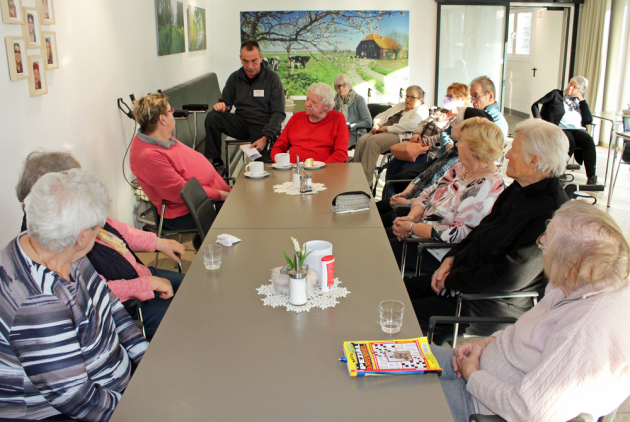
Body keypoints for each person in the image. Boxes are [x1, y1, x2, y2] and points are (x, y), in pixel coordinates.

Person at [434, 200, 630, 422]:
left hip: (482, 406)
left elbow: (529, 411)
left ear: (570, 266)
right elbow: (527, 335)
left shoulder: (585, 333)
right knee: (388, 357)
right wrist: (485, 343)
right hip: (478, 366)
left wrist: (473, 375)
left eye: (546, 246)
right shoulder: (577, 280)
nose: (541, 246)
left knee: (390, 398)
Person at [0, 169, 148, 421]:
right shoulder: (39, 305)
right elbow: (77, 399)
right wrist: (141, 408)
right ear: (82, 237)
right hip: (73, 411)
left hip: (117, 381)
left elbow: (109, 304)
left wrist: (144, 355)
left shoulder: (56, 246)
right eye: (96, 229)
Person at [404, 118, 569, 340]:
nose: (507, 155)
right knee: (398, 292)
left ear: (534, 160)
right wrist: (451, 260)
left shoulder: (551, 213)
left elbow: (511, 276)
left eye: (514, 150)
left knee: (398, 313)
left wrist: (453, 279)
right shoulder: (519, 189)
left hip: (492, 300)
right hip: (466, 278)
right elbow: (480, 231)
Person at [15, 149, 186, 339]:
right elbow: (93, 294)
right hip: (131, 306)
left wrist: (158, 243)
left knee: (195, 289)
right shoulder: (59, 244)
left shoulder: (74, 222)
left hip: (139, 276)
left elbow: (118, 230)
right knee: (187, 317)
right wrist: (144, 284)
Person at [390, 117, 505, 273]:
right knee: (374, 237)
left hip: (437, 252)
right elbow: (428, 193)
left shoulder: (487, 187)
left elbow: (457, 234)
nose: (456, 144)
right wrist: (410, 218)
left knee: (376, 251)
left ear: (474, 150)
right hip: (420, 232)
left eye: (461, 141)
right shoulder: (461, 168)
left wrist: (411, 228)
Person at [376, 108, 493, 227]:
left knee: (376, 225)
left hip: (425, 217)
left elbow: (440, 206)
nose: (451, 123)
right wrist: (406, 195)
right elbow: (428, 179)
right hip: (419, 207)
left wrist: (409, 212)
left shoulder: (462, 163)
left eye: (456, 121)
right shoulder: (456, 157)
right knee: (377, 209)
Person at [130, 93, 231, 231]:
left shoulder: (162, 137)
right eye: (171, 111)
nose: (173, 113)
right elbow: (183, 193)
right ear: (162, 119)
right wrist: (224, 195)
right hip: (186, 210)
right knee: (240, 212)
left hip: (206, 198)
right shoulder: (149, 156)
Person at [204, 40, 285, 166]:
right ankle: (215, 163)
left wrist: (266, 138)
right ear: (241, 59)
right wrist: (222, 106)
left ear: (261, 57)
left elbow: (279, 113)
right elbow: (227, 103)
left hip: (263, 126)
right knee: (213, 117)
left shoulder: (272, 78)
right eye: (246, 61)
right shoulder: (235, 78)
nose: (250, 66)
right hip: (241, 123)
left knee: (264, 166)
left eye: (254, 60)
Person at [384, 83, 470, 186]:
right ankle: (388, 197)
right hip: (416, 146)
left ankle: (402, 198)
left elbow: (444, 136)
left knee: (405, 170)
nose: (447, 98)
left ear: (461, 98)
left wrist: (423, 141)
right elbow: (423, 123)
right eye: (446, 96)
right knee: (392, 165)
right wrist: (417, 133)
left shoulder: (459, 118)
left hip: (430, 153)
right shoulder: (440, 111)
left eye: (450, 96)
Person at [353, 85, 430, 185]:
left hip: (399, 135)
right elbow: (382, 115)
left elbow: (411, 125)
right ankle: (354, 177)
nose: (408, 99)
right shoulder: (400, 105)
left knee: (373, 141)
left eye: (412, 97)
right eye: (407, 96)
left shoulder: (422, 109)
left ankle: (366, 182)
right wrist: (377, 123)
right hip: (383, 130)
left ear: (421, 100)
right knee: (362, 140)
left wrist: (387, 128)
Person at [532, 76, 598, 185]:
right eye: (570, 84)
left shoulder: (580, 102)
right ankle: (560, 172)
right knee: (569, 141)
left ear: (580, 91)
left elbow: (588, 119)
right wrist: (539, 120)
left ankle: (591, 177)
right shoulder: (556, 94)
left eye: (574, 87)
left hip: (577, 129)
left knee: (589, 141)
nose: (570, 87)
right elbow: (535, 104)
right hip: (561, 128)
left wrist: (581, 100)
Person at [270, 83, 349, 163]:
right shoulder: (296, 117)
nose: (307, 104)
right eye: (307, 99)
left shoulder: (337, 119)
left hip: (324, 172)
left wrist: (321, 169)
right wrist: (281, 163)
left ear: (326, 106)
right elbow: (278, 147)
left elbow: (341, 154)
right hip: (293, 171)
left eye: (313, 102)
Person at [332, 74, 371, 147]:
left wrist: (351, 126)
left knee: (338, 145)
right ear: (335, 88)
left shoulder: (359, 99)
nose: (341, 88)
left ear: (349, 86)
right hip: (338, 133)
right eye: (338, 86)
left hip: (355, 134)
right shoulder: (334, 100)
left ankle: (340, 158)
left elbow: (368, 122)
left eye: (344, 85)